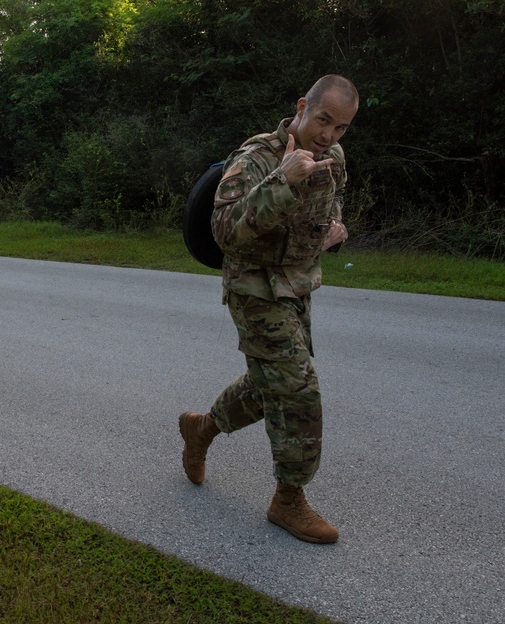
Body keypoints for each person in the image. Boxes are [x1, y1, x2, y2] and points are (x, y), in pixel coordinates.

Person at [178, 74, 359, 544]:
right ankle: (288, 501)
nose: (328, 136)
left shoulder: (333, 158)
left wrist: (335, 233)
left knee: (269, 385)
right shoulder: (255, 157)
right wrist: (283, 180)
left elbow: (326, 212)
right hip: (254, 290)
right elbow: (226, 232)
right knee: (298, 391)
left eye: (341, 128)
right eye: (323, 121)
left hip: (296, 287)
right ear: (302, 106)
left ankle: (201, 429)